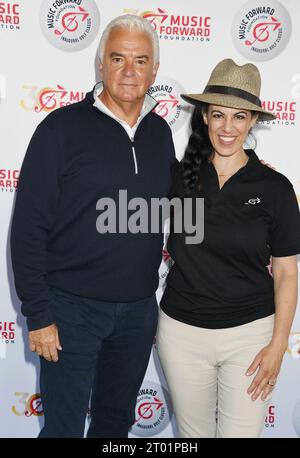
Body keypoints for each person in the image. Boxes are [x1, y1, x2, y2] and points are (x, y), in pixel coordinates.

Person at [10, 14, 175, 438]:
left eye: (140, 61)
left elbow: (181, 208)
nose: (128, 71)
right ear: (100, 65)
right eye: (117, 58)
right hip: (70, 312)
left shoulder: (160, 133)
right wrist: (39, 315)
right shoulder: (60, 128)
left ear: (155, 70)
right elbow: (28, 229)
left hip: (138, 311)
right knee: (63, 429)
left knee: (114, 427)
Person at [156, 58, 300, 438]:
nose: (227, 127)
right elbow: (126, 219)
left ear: (253, 120)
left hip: (250, 337)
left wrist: (278, 344)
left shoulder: (275, 188)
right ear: (205, 116)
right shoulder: (179, 176)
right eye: (219, 115)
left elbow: (286, 271)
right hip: (181, 334)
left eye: (239, 117)